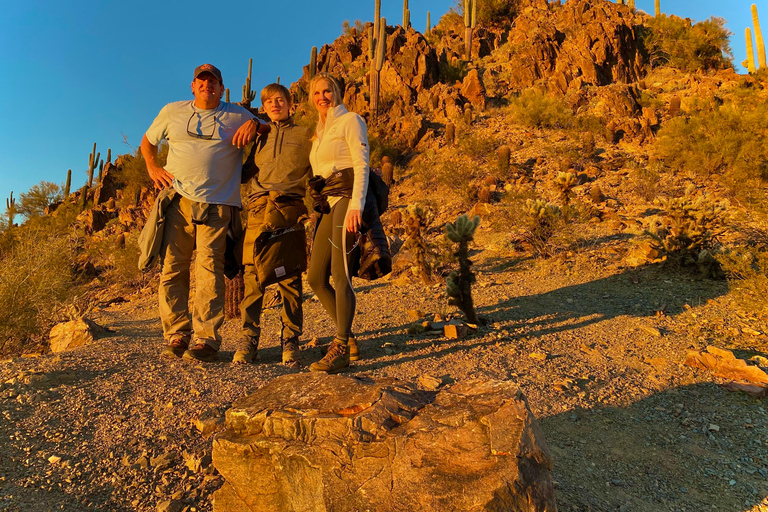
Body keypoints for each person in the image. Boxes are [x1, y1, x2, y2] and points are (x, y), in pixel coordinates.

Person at [141, 63, 264, 363]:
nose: (207, 86)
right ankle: (177, 333)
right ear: (193, 86)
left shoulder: (236, 113)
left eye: (214, 82)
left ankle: (206, 339)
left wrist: (256, 124)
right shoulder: (173, 111)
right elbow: (148, 141)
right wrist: (152, 167)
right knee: (173, 267)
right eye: (202, 81)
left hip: (218, 203)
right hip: (178, 201)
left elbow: (270, 127)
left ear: (222, 88)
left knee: (210, 270)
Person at [235, 83, 312, 367]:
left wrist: (315, 210)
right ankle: (248, 338)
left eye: (280, 100)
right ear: (263, 108)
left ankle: (291, 340)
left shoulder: (306, 136)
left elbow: (317, 172)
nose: (275, 105)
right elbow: (242, 174)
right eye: (269, 102)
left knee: (288, 276)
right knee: (252, 276)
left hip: (289, 209)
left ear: (291, 103)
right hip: (257, 209)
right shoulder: (259, 138)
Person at [306, 73, 370, 374]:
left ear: (338, 92)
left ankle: (342, 346)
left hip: (346, 198)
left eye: (328, 91)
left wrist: (357, 204)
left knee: (340, 272)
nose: (323, 97)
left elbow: (361, 163)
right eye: (317, 92)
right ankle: (348, 336)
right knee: (315, 277)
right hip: (328, 204)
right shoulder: (319, 133)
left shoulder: (351, 120)